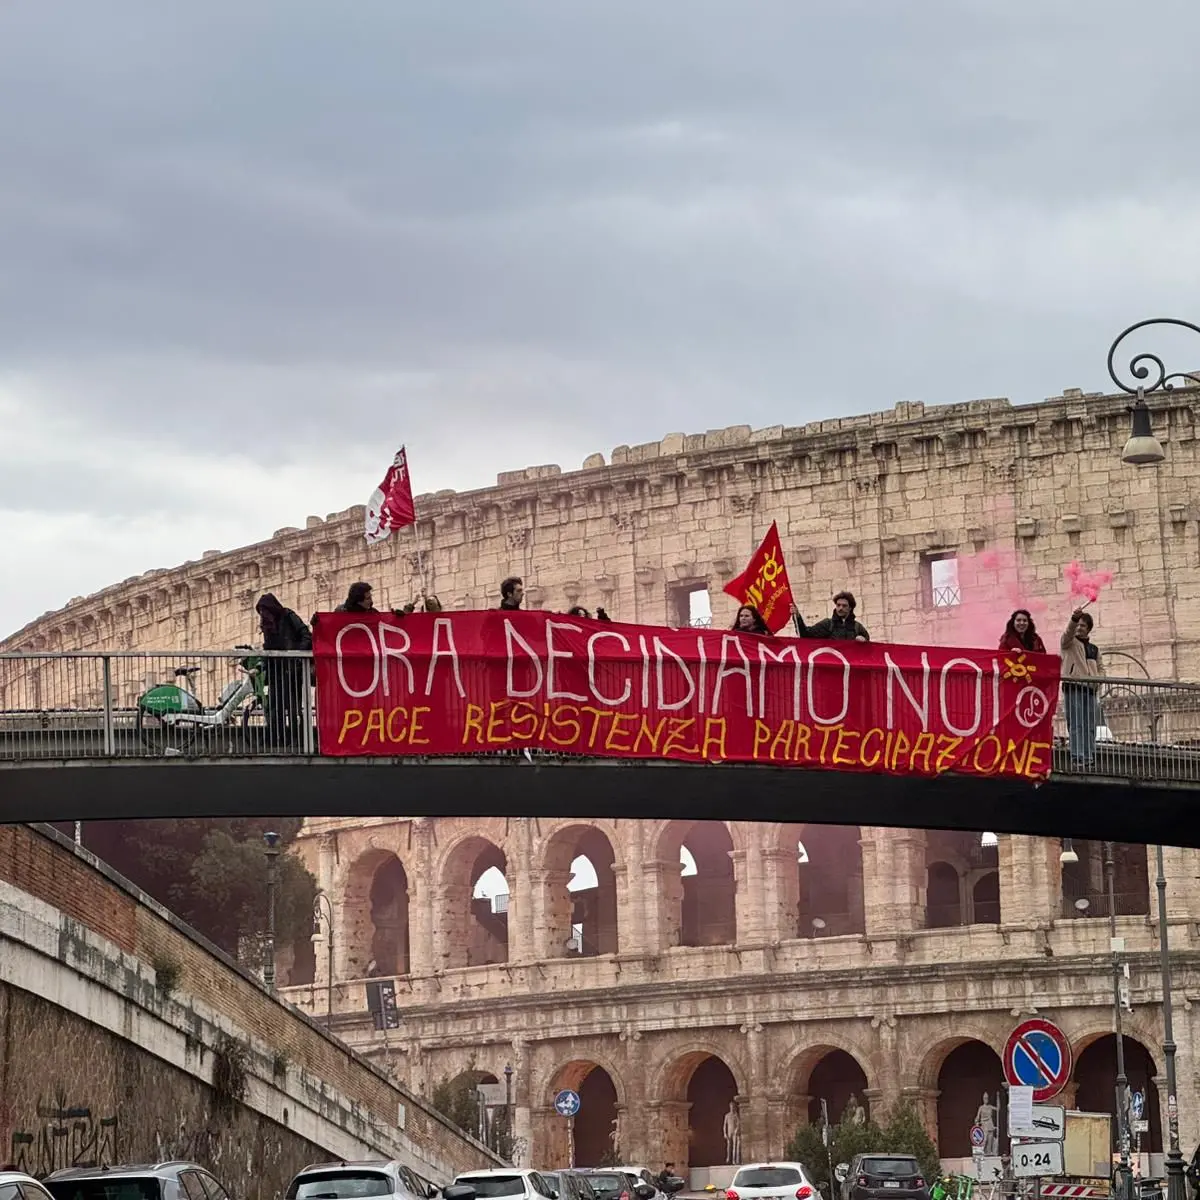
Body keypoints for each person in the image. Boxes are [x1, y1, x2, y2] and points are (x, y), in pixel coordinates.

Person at [255, 593, 312, 748]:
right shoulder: (268, 626)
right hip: (276, 671)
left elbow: (306, 635)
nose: (263, 615)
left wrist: (295, 654)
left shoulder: (288, 616)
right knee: (274, 706)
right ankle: (276, 738)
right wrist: (261, 667)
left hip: (291, 670)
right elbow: (268, 649)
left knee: (293, 707)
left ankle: (297, 740)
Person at [1061, 608, 1104, 766]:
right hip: (1073, 687)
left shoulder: (1094, 649)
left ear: (1088, 628)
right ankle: (1077, 756)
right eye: (1077, 625)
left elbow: (1101, 668)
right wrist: (1073, 618)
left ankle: (1089, 756)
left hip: (1090, 689)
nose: (1079, 628)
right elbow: (1067, 633)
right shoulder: (1069, 643)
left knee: (1090, 725)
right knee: (1076, 723)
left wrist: (1097, 681)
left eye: (1083, 625)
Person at [796, 591, 869, 641]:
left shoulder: (858, 627)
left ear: (850, 608)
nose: (840, 608)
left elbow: (869, 649)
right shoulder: (827, 624)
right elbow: (805, 634)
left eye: (844, 606)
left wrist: (864, 641)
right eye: (838, 605)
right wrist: (797, 616)